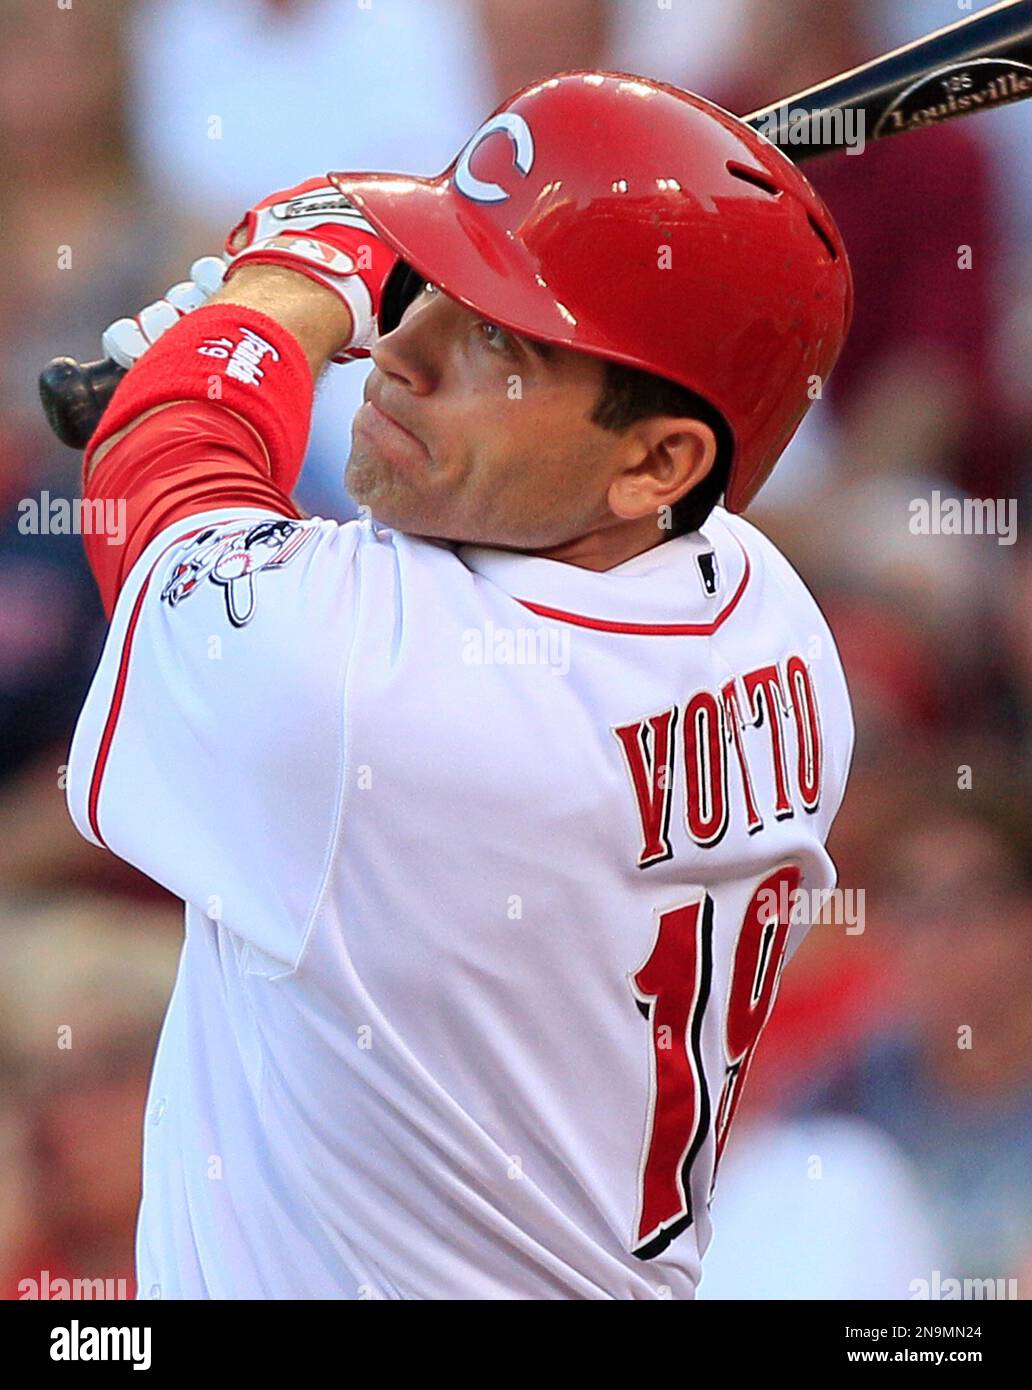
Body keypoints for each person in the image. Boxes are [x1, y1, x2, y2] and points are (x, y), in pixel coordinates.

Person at [64, 72, 854, 1299]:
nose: (402, 348)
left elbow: (158, 489)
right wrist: (276, 323)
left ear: (658, 459)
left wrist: (284, 294)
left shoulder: (378, 701)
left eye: (503, 339)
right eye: (434, 287)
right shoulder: (770, 612)